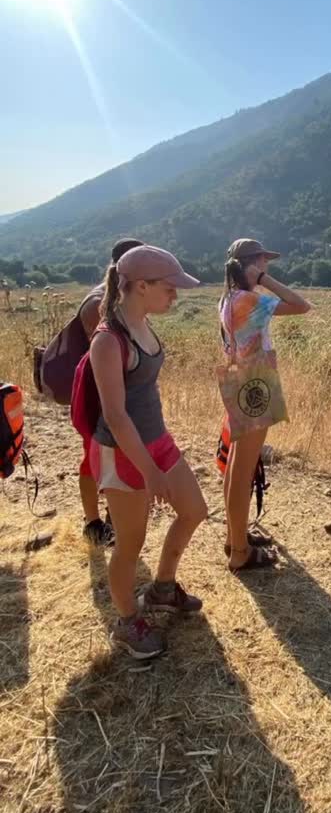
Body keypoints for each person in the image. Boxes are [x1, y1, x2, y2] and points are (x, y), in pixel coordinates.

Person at [89, 244, 207, 659]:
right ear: (141, 286)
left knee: (194, 510)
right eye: (169, 287)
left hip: (157, 440)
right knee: (130, 543)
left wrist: (159, 457)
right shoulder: (107, 341)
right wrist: (150, 471)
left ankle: (161, 590)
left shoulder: (143, 324)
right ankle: (127, 623)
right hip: (122, 451)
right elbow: (117, 418)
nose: (175, 294)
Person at [219, 238, 311, 571]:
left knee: (236, 465)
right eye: (263, 262)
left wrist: (257, 279)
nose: (268, 266)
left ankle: (235, 536)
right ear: (252, 265)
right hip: (255, 382)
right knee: (243, 469)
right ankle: (239, 552)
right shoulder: (248, 299)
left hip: (242, 380)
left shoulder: (229, 298)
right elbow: (301, 305)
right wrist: (264, 281)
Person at [78, 237, 143, 545]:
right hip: (96, 393)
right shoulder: (99, 303)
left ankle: (108, 517)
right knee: (92, 457)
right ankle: (94, 523)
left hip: (112, 390)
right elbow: (106, 354)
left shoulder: (118, 298)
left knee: (106, 455)